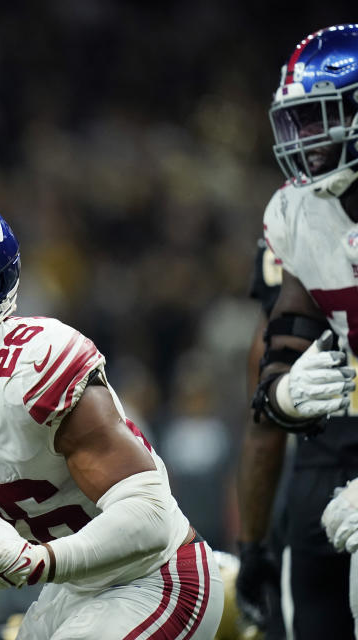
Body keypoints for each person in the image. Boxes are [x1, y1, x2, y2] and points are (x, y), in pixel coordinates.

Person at [0, 189, 224, 639]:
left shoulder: (35, 364)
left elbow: (149, 517)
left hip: (155, 576)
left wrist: (35, 561)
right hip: (70, 587)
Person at [248, 24, 358, 638]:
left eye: (321, 118)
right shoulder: (299, 212)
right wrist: (285, 396)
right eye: (299, 120)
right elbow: (286, 339)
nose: (306, 139)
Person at [235, 240, 354, 639]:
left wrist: (253, 546)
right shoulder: (296, 225)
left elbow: (262, 426)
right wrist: (252, 547)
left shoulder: (302, 230)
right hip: (317, 480)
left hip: (318, 478)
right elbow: (264, 412)